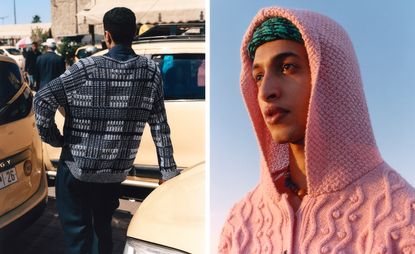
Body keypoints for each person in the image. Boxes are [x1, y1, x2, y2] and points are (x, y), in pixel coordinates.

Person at [218, 6, 415, 253]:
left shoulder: (403, 218)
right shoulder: (240, 223)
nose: (266, 91)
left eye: (287, 67)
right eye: (258, 76)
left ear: (332, 78)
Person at [34, 7, 179, 254]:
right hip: (114, 172)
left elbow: (42, 99)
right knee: (103, 231)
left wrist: (54, 138)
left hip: (77, 168)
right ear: (134, 33)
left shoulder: (86, 68)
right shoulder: (151, 71)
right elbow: (159, 125)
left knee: (79, 236)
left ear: (107, 35)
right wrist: (167, 170)